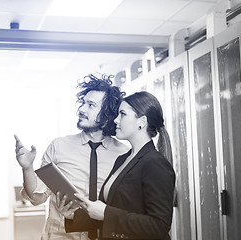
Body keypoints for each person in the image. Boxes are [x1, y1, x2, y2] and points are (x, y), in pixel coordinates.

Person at [14, 74, 130, 240]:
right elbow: (36, 198)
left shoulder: (124, 155)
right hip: (60, 236)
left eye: (91, 105)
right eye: (83, 103)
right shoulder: (59, 146)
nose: (82, 109)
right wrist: (27, 168)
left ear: (108, 115)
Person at [57, 91, 176, 240]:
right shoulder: (123, 159)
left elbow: (159, 226)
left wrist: (107, 213)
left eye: (123, 114)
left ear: (141, 122)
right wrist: (73, 216)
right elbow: (109, 215)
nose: (115, 120)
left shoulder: (155, 163)